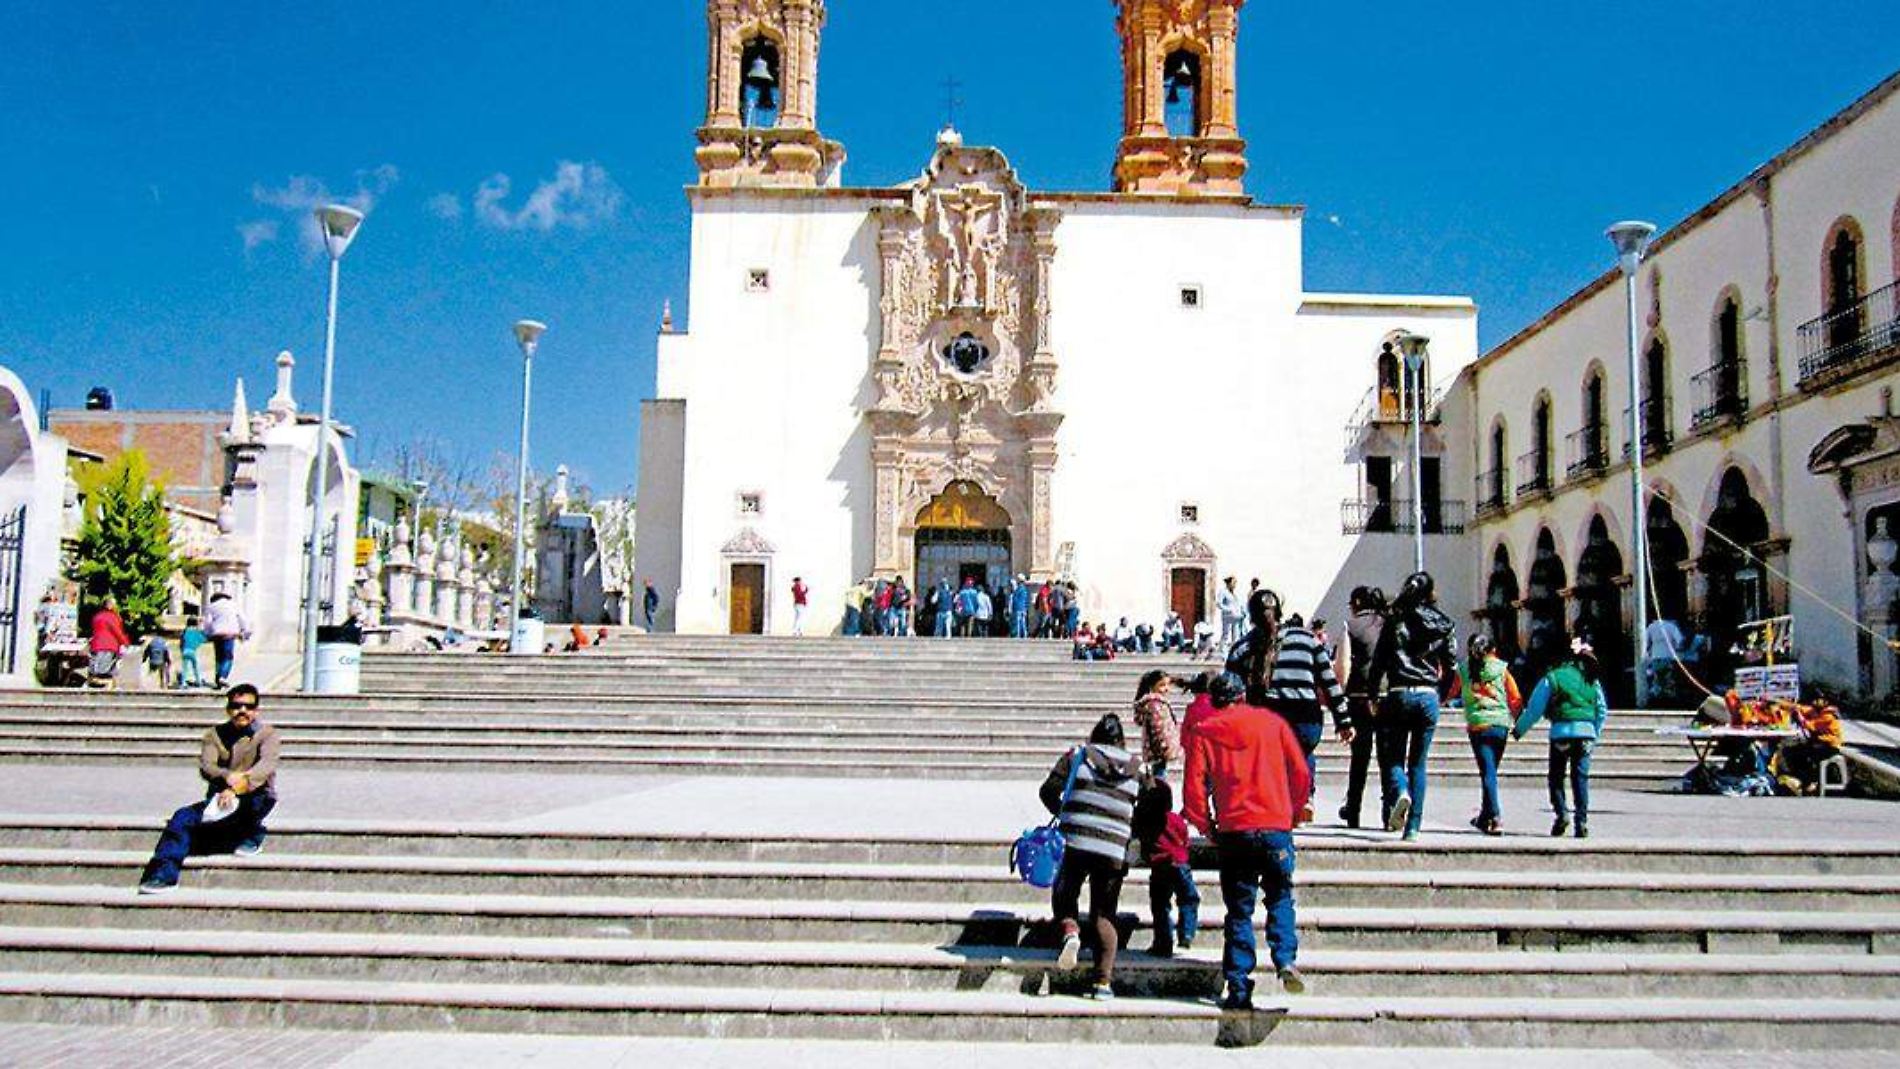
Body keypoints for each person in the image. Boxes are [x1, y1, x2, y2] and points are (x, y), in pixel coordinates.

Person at [1182, 672, 1312, 1009]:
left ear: (1213, 700)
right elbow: (1300, 771)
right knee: (1281, 895)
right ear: (1242, 696)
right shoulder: (1272, 722)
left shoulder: (1204, 730)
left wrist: (1204, 823)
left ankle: (1239, 986)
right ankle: (1284, 958)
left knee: (1239, 911)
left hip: (1234, 829)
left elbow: (1194, 786)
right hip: (1275, 826)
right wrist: (1295, 812)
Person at [138, 684, 280, 894]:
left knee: (257, 800)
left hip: (254, 796)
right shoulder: (214, 734)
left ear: (256, 710)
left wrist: (236, 788)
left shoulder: (267, 735)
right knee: (182, 818)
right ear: (228, 708)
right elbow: (207, 766)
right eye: (236, 705)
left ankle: (253, 832)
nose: (242, 711)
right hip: (220, 800)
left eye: (248, 707)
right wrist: (226, 777)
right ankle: (163, 875)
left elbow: (265, 767)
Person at [1040, 713, 1143, 1000]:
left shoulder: (1077, 756)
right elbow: (1154, 802)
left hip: (1075, 842)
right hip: (1113, 849)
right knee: (1104, 912)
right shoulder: (1136, 768)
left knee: (1065, 892)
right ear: (1121, 740)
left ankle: (1070, 931)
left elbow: (1048, 790)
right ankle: (1102, 983)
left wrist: (1065, 814)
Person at [1227, 588, 1349, 825]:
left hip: (1267, 715)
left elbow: (1230, 690)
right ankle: (1305, 797)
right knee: (1303, 754)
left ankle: (1278, 808)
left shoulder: (1243, 647)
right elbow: (1329, 682)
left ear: (1251, 616)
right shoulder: (1307, 640)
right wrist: (1343, 720)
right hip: (1306, 715)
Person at [1366, 571, 1456, 841]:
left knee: (1394, 756)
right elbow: (1450, 665)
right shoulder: (1443, 624)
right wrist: (1441, 693)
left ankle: (1401, 790)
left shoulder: (1395, 621)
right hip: (1428, 694)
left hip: (1399, 692)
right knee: (1419, 762)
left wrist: (1372, 694)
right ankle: (1414, 827)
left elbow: (1379, 661)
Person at [1513, 638, 1609, 838]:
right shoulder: (1591, 677)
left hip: (1561, 735)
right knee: (1580, 778)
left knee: (1556, 777)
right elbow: (1601, 709)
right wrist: (1594, 733)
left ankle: (1562, 813)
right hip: (1586, 735)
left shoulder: (1553, 677)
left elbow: (1534, 709)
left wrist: (1519, 730)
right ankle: (1581, 821)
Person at [1448, 633, 1522, 835]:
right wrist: (1519, 721)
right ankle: (1485, 816)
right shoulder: (1502, 669)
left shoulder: (1463, 670)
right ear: (1494, 650)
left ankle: (1495, 817)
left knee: (1487, 772)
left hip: (1478, 725)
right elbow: (1515, 697)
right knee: (1490, 771)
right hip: (1500, 725)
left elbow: (1451, 692)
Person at [1132, 778, 1199, 957]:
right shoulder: (1176, 820)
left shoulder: (1143, 822)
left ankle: (1163, 942)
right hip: (1179, 864)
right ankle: (1187, 932)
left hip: (1159, 867)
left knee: (1160, 906)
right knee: (1188, 899)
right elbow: (1185, 839)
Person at [1337, 587, 1386, 829]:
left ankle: (1353, 810)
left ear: (1357, 602)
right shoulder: (1390, 624)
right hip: (1388, 697)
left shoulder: (1351, 626)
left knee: (1360, 758)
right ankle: (1390, 810)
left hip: (1359, 696)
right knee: (1389, 757)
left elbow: (1343, 666)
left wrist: (1340, 699)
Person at [1132, 669, 1183, 777]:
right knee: (1159, 776)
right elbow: (1157, 729)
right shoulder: (1155, 704)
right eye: (1162, 685)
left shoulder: (1157, 703)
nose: (1166, 689)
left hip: (1157, 750)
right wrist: (1164, 748)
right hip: (1159, 750)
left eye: (1167, 685)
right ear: (1152, 686)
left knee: (1158, 774)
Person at [204, 591, 249, 689]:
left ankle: (217, 680)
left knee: (219, 658)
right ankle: (223, 676)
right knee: (228, 657)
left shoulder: (211, 606)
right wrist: (244, 631)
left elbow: (207, 622)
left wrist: (207, 633)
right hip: (230, 634)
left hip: (217, 634)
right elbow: (242, 619)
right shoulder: (233, 605)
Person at [87, 597, 132, 689]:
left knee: (97, 671)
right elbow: (117, 632)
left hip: (96, 646)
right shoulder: (113, 617)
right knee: (104, 673)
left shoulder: (97, 617)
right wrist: (126, 643)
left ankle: (107, 690)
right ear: (111, 606)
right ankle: (109, 691)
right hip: (108, 647)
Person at [1643, 615, 1686, 700]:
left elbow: (1645, 642)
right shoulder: (1672, 626)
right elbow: (1680, 641)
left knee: (1657, 680)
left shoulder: (1651, 626)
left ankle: (1657, 699)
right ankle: (1668, 699)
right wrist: (1677, 648)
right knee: (1668, 679)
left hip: (1655, 656)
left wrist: (1648, 653)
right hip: (1668, 656)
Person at [1216, 577, 1245, 653]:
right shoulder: (1223, 592)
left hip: (1236, 616)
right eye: (1233, 583)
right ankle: (1222, 650)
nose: (1234, 585)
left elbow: (1237, 603)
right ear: (1229, 583)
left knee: (1236, 634)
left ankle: (1234, 649)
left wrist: (1241, 611)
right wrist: (1228, 609)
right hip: (1227, 616)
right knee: (1226, 633)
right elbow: (1219, 604)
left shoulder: (1234, 593)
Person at [178, 616, 207, 689]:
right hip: (193, 651)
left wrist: (181, 649)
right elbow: (203, 639)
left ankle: (183, 683)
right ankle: (198, 681)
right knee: (196, 667)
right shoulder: (196, 632)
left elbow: (181, 642)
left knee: (185, 668)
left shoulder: (185, 631)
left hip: (185, 651)